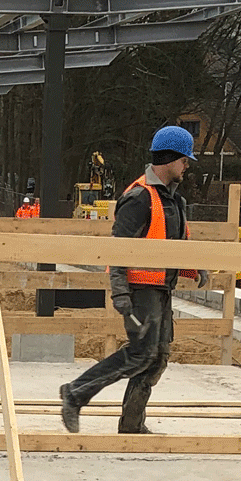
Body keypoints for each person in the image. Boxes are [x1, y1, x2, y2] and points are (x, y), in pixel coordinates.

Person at [60, 126, 195, 435]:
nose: (187, 166)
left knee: (157, 358)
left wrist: (193, 270)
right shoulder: (139, 198)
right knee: (141, 354)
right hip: (140, 290)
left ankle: (132, 425)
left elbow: (173, 245)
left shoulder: (174, 200)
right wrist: (120, 296)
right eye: (184, 160)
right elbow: (118, 250)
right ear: (170, 158)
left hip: (162, 290)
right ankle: (76, 392)